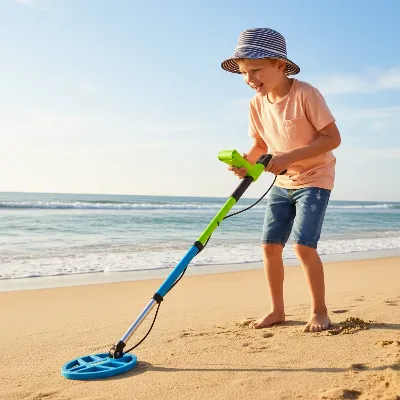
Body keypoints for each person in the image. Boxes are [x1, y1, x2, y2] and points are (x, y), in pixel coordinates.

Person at [221, 28, 341, 332]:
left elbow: (332, 138)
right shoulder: (255, 105)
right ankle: (277, 310)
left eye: (256, 69)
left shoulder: (305, 94)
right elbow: (261, 146)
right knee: (270, 246)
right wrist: (246, 165)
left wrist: (289, 156)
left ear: (279, 64)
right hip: (283, 183)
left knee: (303, 246)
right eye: (244, 73)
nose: (250, 78)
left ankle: (320, 311)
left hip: (315, 178)